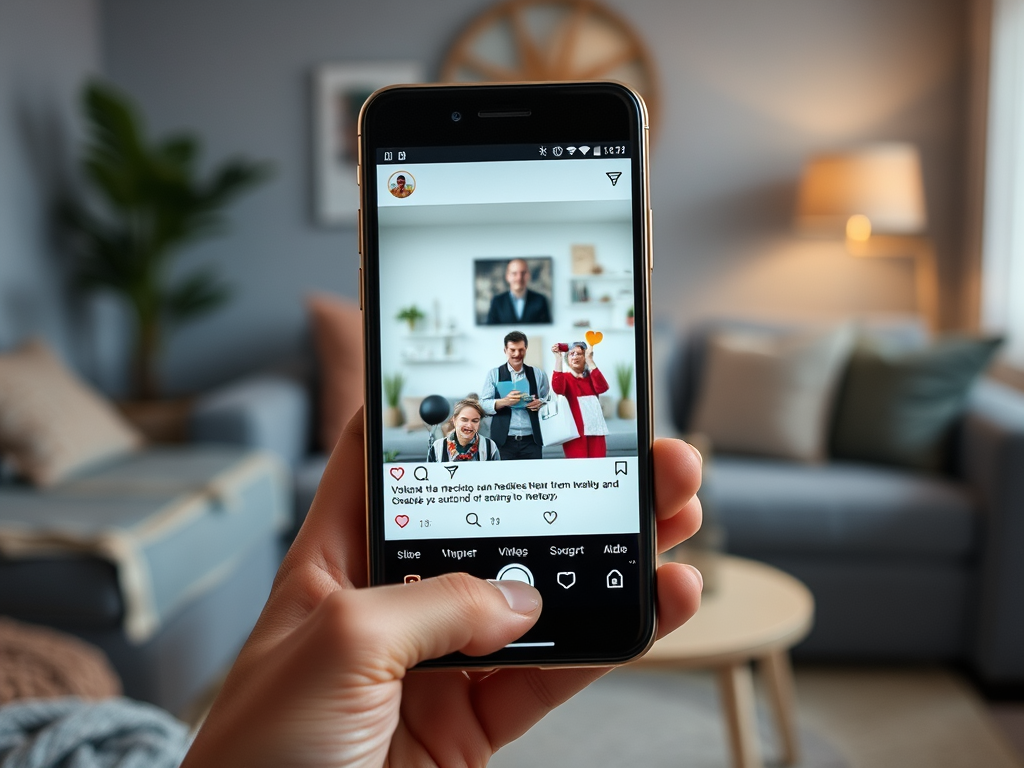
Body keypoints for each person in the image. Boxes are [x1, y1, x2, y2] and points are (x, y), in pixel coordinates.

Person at [179, 410, 704, 768]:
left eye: (477, 422)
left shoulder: (495, 447)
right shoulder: (437, 450)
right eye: (467, 421)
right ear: (456, 422)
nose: (472, 427)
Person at [481, 330, 549, 460]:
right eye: (512, 350)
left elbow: (548, 399)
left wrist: (541, 403)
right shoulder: (494, 374)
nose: (517, 354)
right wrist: (505, 401)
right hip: (503, 440)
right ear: (505, 350)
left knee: (533, 478)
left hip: (532, 440)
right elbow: (483, 404)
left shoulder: (538, 374)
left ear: (526, 349)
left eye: (521, 350)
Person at [551, 341, 610, 458]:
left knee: (598, 466)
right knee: (578, 468)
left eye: (579, 354)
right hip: (575, 432)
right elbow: (557, 389)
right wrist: (558, 359)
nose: (575, 356)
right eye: (571, 354)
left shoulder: (591, 376)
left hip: (596, 430)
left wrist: (590, 360)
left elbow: (602, 387)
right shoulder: (566, 378)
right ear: (567, 358)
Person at [427, 396, 500, 462]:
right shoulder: (437, 447)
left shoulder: (489, 446)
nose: (469, 425)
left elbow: (497, 474)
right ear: (454, 420)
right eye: (464, 420)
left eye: (475, 421)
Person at [486, 258, 552, 324]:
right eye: (514, 273)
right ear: (507, 277)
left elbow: (548, 330)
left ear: (528, 275)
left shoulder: (540, 300)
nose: (519, 278)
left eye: (523, 273)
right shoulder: (497, 302)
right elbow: (490, 330)